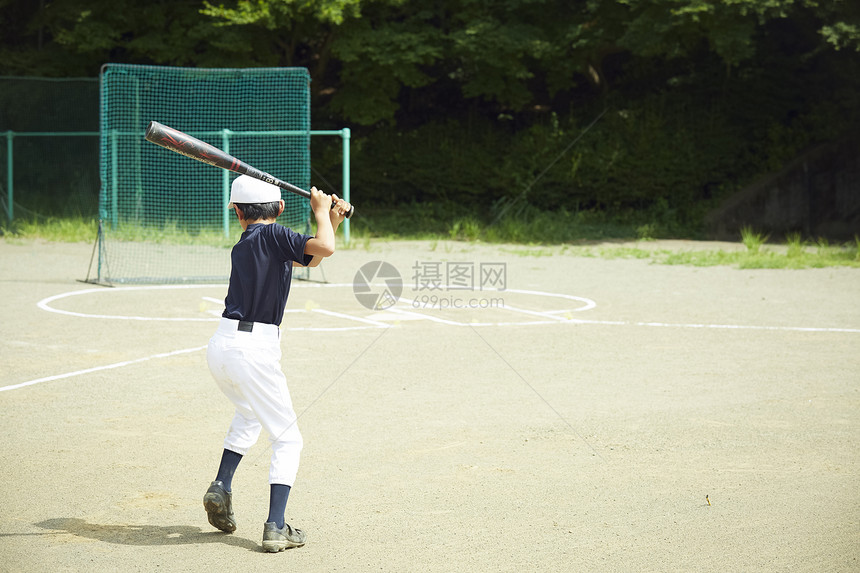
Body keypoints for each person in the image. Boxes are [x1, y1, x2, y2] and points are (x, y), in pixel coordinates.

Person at [203, 175, 349, 552]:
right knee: (288, 439)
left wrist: (331, 220)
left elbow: (312, 257)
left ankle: (221, 485)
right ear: (280, 208)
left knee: (250, 414)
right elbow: (326, 252)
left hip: (223, 345)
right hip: (254, 350)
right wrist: (319, 211)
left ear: (237, 212)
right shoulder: (274, 235)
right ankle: (276, 526)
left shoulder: (251, 242)